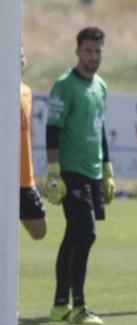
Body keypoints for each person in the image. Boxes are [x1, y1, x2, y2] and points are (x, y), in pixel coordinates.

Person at [44, 27, 114, 325]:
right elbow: (52, 129)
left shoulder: (101, 86)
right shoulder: (65, 85)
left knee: (74, 235)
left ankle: (60, 304)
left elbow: (100, 130)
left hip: (94, 172)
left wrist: (108, 170)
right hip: (72, 172)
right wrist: (54, 172)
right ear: (77, 52)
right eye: (88, 51)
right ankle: (79, 305)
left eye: (98, 51)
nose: (93, 57)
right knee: (86, 233)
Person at [20, 48, 47, 241]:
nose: (21, 60)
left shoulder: (26, 91)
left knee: (39, 230)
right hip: (5, 177)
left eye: (22, 56)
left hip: (24, 177)